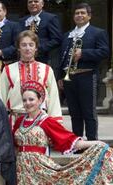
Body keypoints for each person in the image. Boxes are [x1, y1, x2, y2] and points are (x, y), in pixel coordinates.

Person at [13, 80, 113, 184]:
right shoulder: (20, 121)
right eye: (24, 100)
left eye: (31, 99)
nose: (27, 103)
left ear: (40, 100)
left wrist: (96, 143)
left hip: (40, 169)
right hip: (21, 168)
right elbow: (14, 144)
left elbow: (69, 140)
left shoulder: (47, 121)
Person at [57, 3, 110, 141]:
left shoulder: (98, 32)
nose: (79, 15)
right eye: (77, 13)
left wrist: (84, 53)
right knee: (74, 112)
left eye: (82, 13)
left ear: (89, 16)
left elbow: (105, 51)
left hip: (87, 75)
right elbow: (62, 57)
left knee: (89, 112)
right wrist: (60, 77)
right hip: (70, 78)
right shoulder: (68, 35)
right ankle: (77, 141)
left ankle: (92, 142)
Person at [0, 30, 62, 125]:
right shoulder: (8, 70)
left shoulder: (46, 69)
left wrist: (56, 123)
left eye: (31, 45)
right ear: (18, 48)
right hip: (16, 121)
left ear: (36, 48)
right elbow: (1, 98)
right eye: (23, 45)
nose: (27, 48)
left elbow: (53, 98)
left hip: (41, 121)